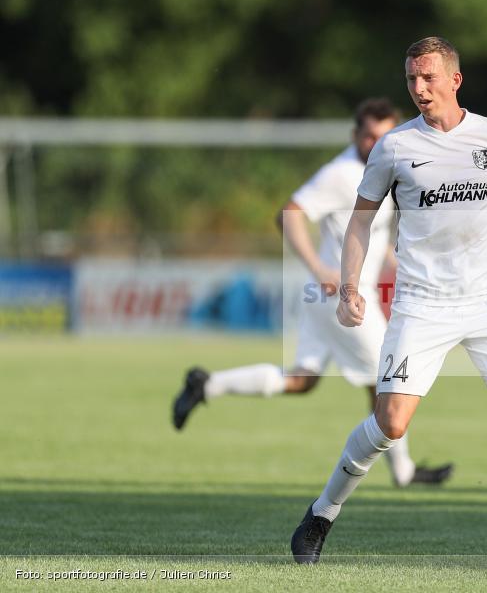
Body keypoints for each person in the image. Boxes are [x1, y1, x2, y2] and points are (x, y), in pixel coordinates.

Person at [290, 38, 487, 570]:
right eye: (411, 78)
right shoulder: (393, 147)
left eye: (429, 77)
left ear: (455, 79)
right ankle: (321, 513)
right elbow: (359, 221)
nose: (419, 88)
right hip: (422, 305)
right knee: (390, 423)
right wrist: (349, 287)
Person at [171, 98, 453, 488]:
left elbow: (368, 230)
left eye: (383, 135)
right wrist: (319, 268)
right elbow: (288, 214)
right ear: (355, 135)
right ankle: (403, 472)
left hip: (327, 297)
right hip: (344, 296)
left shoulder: (381, 167)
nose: (376, 142)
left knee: (303, 380)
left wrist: (395, 258)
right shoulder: (341, 173)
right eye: (368, 135)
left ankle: (208, 384)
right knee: (389, 379)